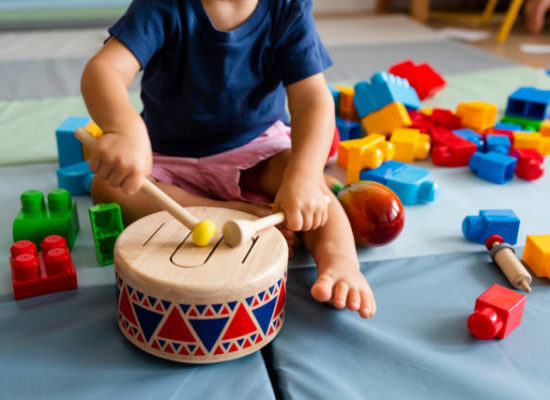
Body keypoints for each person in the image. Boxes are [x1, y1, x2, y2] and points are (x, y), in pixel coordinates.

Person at [81, 0, 376, 319]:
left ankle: (339, 262)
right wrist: (124, 129)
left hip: (256, 148)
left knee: (309, 183)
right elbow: (105, 69)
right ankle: (234, 213)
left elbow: (312, 100)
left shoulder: (286, 7)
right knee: (109, 187)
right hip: (167, 154)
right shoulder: (161, 5)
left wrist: (302, 177)